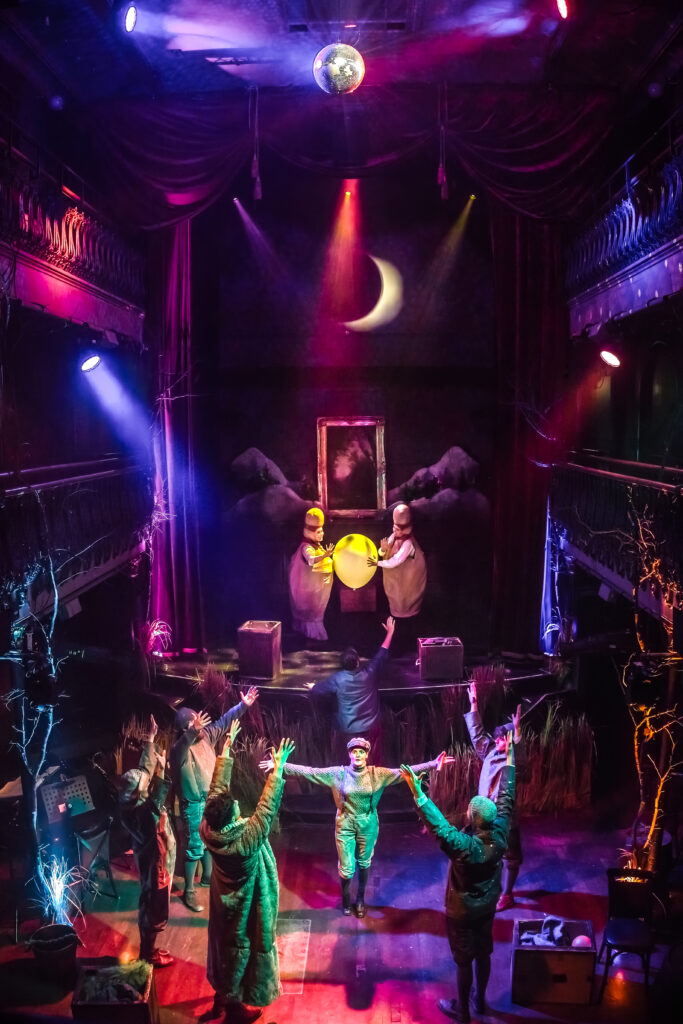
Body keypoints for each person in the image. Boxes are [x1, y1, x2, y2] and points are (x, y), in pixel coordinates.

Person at [259, 738, 453, 918]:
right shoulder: (338, 774)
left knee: (364, 862)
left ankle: (360, 899)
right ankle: (345, 900)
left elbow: (405, 772)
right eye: (354, 751)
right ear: (349, 754)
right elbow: (311, 772)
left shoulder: (377, 774)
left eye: (361, 751)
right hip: (345, 823)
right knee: (346, 867)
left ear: (367, 754)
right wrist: (281, 766)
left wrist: (433, 764)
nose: (358, 754)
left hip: (368, 824)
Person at [400, 733, 516, 1024]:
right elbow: (506, 799)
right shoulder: (500, 835)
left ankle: (463, 1012)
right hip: (487, 907)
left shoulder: (465, 847)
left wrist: (418, 794)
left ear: (472, 817)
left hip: (462, 912)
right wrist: (510, 761)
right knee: (484, 953)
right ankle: (481, 1002)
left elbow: (440, 828)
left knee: (464, 961)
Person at [200, 721, 295, 1024]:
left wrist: (225, 751)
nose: (239, 804)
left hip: (222, 901)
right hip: (246, 904)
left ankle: (220, 999)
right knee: (241, 948)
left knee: (225, 947)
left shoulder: (208, 829)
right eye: (236, 807)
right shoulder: (244, 842)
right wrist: (278, 770)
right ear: (231, 818)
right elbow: (266, 810)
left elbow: (216, 792)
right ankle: (234, 1009)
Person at [170, 686, 259, 912]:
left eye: (199, 721)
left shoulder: (207, 736)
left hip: (212, 800)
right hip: (193, 804)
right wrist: (192, 731)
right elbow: (181, 746)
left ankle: (208, 878)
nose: (201, 725)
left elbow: (224, 720)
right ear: (185, 729)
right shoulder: (178, 750)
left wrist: (243, 706)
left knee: (211, 840)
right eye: (194, 723)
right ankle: (189, 891)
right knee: (194, 845)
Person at [119, 715, 176, 967]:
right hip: (157, 865)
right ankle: (148, 953)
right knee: (156, 908)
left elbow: (144, 770)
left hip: (153, 859)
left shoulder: (130, 802)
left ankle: (149, 948)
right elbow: (158, 794)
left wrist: (151, 739)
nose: (147, 776)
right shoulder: (143, 813)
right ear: (139, 791)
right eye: (145, 781)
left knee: (151, 902)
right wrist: (163, 770)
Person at [465, 681, 526, 910]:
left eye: (502, 738)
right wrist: (473, 704)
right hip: (485, 815)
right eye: (498, 737)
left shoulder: (513, 759)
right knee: (484, 853)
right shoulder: (490, 751)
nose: (498, 741)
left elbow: (520, 757)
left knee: (511, 855)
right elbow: (477, 735)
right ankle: (489, 888)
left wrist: (517, 732)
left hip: (505, 816)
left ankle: (507, 894)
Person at [304, 616, 395, 758]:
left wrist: (313, 686)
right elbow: (382, 652)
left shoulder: (337, 679)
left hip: (347, 730)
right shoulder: (369, 673)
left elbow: (318, 690)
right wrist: (390, 632)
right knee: (373, 760)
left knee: (351, 763)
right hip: (371, 727)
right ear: (358, 662)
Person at [368, 502, 426, 653]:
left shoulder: (408, 544)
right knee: (396, 615)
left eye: (399, 528)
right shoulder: (394, 536)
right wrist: (382, 550)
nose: (395, 531)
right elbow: (383, 550)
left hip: (407, 586)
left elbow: (396, 560)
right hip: (395, 586)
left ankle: (407, 648)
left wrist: (377, 563)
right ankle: (397, 645)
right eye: (394, 527)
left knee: (406, 615)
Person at [288, 506, 334, 642]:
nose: (322, 534)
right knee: (310, 616)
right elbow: (311, 560)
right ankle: (311, 638)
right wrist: (325, 555)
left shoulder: (316, 546)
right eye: (319, 531)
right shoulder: (306, 548)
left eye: (322, 530)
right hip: (308, 591)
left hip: (316, 591)